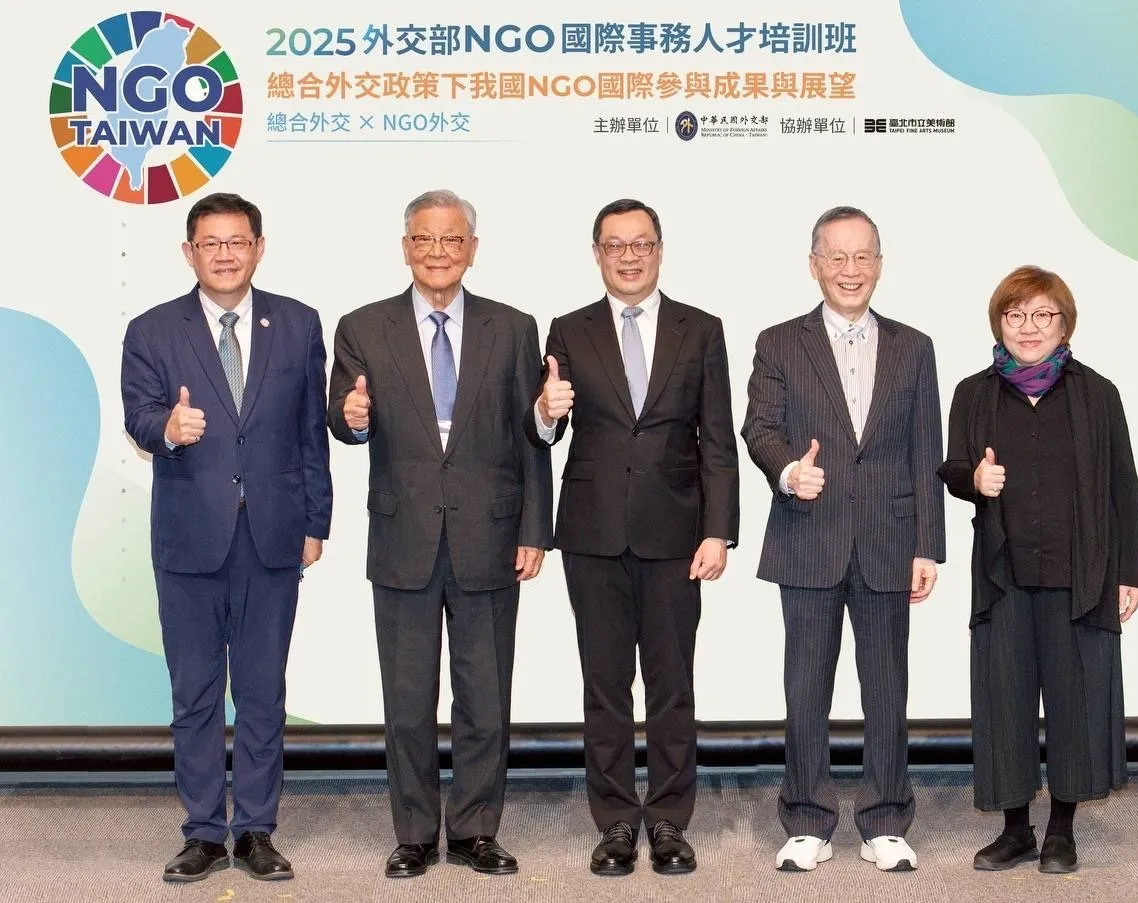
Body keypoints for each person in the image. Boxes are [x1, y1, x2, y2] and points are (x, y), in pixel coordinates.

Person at [328, 189, 552, 879]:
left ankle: (478, 828)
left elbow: (533, 436)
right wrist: (354, 415)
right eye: (424, 240)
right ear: (405, 247)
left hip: (490, 536)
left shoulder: (513, 327)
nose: (437, 252)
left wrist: (534, 528)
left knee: (485, 696)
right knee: (407, 699)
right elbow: (343, 417)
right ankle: (415, 833)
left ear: (472, 249)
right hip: (404, 540)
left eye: (451, 240)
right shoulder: (363, 326)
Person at [121, 192, 332, 883]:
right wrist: (166, 431)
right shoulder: (151, 330)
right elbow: (140, 413)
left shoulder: (298, 323)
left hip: (273, 535)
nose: (224, 254)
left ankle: (258, 831)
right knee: (196, 691)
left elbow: (309, 435)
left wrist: (315, 522)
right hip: (189, 538)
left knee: (265, 690)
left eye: (237, 241)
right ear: (189, 252)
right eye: (209, 243)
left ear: (259, 247)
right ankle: (205, 830)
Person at [526, 198, 739, 876]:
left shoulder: (700, 329)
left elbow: (718, 442)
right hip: (592, 536)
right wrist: (543, 412)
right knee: (606, 685)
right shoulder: (567, 328)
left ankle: (671, 821)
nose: (628, 254)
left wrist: (719, 530)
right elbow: (545, 429)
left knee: (673, 685)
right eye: (614, 244)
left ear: (659, 249)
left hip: (678, 536)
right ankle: (616, 820)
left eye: (640, 242)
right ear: (596, 253)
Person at [740, 206, 945, 874]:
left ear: (879, 264)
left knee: (887, 686)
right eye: (837, 257)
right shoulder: (779, 341)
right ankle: (807, 819)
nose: (850, 270)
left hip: (889, 540)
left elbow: (925, 450)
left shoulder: (915, 346)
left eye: (863, 257)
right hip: (809, 534)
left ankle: (885, 819)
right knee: (806, 687)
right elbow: (760, 427)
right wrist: (787, 470)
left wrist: (928, 544)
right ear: (814, 264)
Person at [937, 265, 1138, 874]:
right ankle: (1014, 830)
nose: (1029, 328)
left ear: (1064, 322)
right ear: (999, 323)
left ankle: (1061, 828)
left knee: (1075, 699)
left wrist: (1129, 571)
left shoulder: (1097, 393)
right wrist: (973, 479)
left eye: (1042, 315)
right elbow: (949, 469)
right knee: (1004, 701)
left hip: (1082, 574)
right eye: (1015, 315)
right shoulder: (974, 393)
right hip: (1004, 576)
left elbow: (1123, 489)